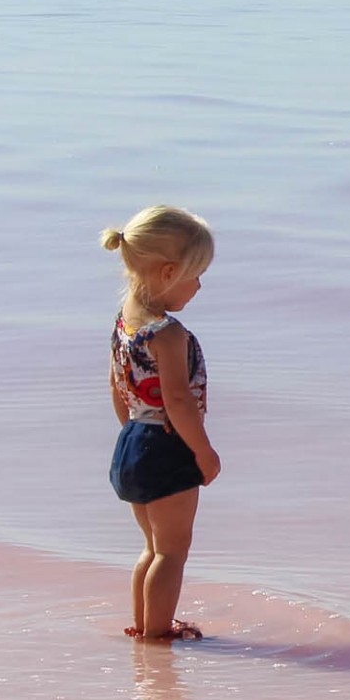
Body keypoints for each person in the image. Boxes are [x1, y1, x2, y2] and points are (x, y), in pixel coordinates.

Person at [102, 205, 220, 641]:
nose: (199, 286)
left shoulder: (123, 322)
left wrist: (132, 434)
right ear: (168, 272)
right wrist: (203, 451)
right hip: (168, 447)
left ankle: (144, 624)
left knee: (151, 548)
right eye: (195, 276)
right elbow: (177, 400)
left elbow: (116, 387)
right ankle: (158, 635)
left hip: (132, 442)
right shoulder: (168, 334)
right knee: (172, 552)